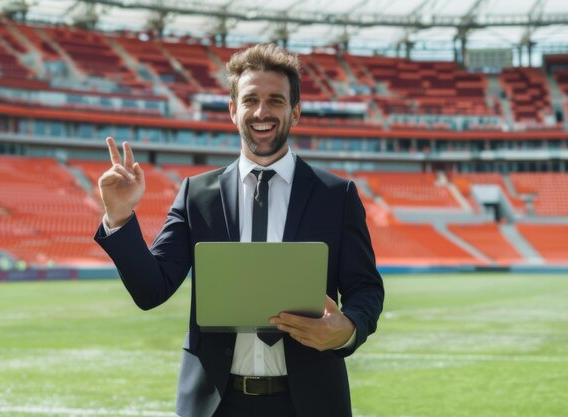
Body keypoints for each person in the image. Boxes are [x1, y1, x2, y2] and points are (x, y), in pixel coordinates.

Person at [95, 43, 384, 417]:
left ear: (295, 111)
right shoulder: (196, 194)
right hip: (216, 403)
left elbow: (365, 287)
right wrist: (119, 218)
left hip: (310, 403)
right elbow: (152, 290)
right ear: (233, 110)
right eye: (250, 100)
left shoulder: (336, 195)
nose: (262, 112)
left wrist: (348, 328)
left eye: (276, 101)